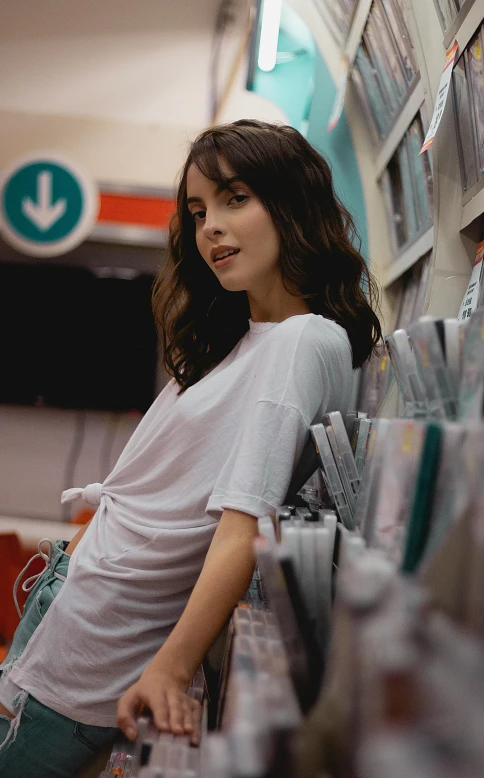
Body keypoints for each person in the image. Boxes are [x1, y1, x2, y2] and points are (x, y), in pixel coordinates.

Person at [0, 119, 381, 778]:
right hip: (77, 614)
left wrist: (169, 670)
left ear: (293, 202)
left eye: (236, 199)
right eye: (199, 210)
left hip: (101, 646)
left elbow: (243, 523)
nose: (209, 227)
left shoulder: (300, 341)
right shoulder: (249, 337)